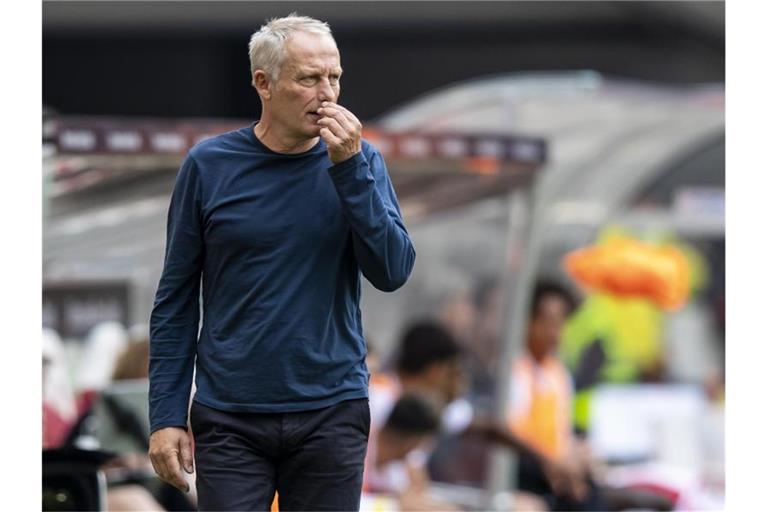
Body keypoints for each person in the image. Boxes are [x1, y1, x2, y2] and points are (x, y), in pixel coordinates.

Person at [147, 13, 415, 511]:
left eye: (334, 76)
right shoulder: (208, 166)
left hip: (332, 409)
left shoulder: (361, 161)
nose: (327, 92)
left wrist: (351, 171)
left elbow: (393, 271)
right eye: (309, 78)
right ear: (263, 84)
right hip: (230, 414)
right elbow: (176, 300)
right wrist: (165, 415)